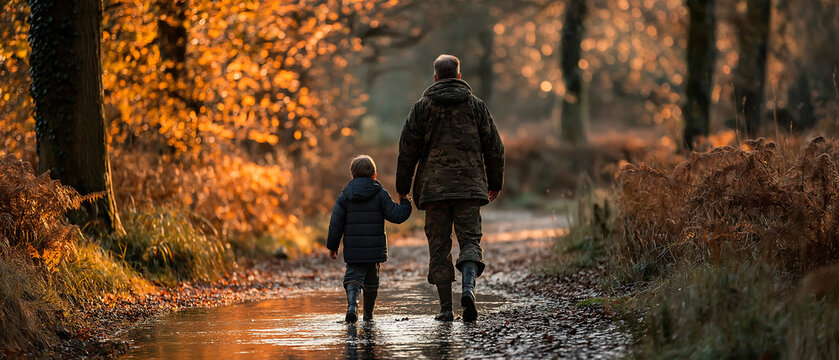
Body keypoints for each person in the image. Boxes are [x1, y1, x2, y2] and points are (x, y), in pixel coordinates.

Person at [396, 54, 505, 322]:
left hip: (433, 191)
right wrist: (495, 182)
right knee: (470, 241)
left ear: (435, 77)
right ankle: (469, 289)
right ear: (458, 75)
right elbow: (495, 147)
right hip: (469, 188)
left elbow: (407, 150)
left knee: (439, 246)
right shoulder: (476, 106)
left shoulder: (421, 108)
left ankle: (446, 309)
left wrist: (403, 188)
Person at [326, 155, 413, 323]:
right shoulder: (380, 193)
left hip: (354, 248)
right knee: (372, 282)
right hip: (374, 249)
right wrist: (406, 202)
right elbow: (396, 215)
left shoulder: (345, 195)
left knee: (353, 277)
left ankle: (352, 306)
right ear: (374, 175)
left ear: (352, 174)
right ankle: (368, 315)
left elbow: (335, 223)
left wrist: (333, 246)